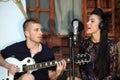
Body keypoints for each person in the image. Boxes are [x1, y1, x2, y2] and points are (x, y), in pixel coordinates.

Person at [0, 18, 66, 80]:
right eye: (36, 30)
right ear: (27, 33)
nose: (41, 33)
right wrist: (8, 66)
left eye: (41, 30)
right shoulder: (17, 47)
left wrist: (57, 73)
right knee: (28, 77)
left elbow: (51, 76)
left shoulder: (47, 52)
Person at [79, 8, 118, 80]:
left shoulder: (111, 46)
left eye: (92, 21)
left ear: (101, 25)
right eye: (88, 20)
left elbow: (113, 74)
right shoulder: (84, 44)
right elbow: (82, 70)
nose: (87, 23)